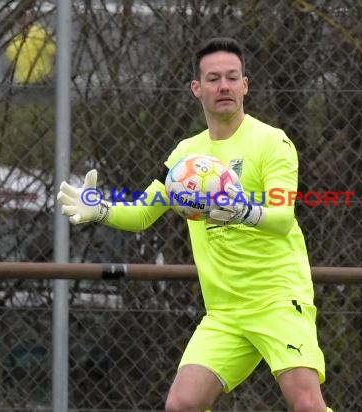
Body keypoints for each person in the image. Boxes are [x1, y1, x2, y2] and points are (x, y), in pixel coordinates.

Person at [57, 37, 333, 412]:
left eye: (232, 78)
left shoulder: (273, 143)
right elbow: (143, 212)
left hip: (278, 300)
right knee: (181, 404)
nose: (224, 86)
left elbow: (283, 219)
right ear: (196, 88)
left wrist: (241, 211)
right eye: (214, 78)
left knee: (306, 404)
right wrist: (102, 211)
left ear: (245, 86)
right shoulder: (185, 157)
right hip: (224, 312)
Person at [5, 15, 56, 85]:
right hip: (44, 78)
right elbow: (53, 50)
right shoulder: (42, 33)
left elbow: (10, 56)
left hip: (22, 80)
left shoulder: (12, 40)